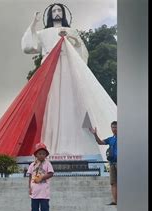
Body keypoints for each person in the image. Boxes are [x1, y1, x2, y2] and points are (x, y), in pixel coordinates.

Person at [18, 3, 117, 158]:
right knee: (51, 106)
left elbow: (82, 52)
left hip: (68, 71)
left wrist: (69, 36)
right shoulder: (44, 33)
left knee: (71, 105)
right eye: (54, 11)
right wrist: (33, 23)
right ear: (50, 15)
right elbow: (28, 47)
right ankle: (49, 144)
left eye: (59, 10)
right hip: (50, 72)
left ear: (63, 13)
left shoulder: (72, 31)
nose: (57, 13)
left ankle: (74, 144)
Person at [90, 121, 117, 205]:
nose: (114, 129)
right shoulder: (111, 139)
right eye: (112, 127)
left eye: (115, 127)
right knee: (113, 182)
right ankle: (115, 201)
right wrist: (95, 134)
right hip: (112, 163)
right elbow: (100, 142)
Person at [27, 143, 54, 211]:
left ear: (46, 155)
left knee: (44, 207)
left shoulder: (47, 164)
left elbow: (50, 173)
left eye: (43, 154)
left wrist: (42, 177)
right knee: (34, 208)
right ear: (36, 155)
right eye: (39, 153)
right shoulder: (32, 165)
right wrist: (30, 188)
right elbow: (30, 176)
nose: (42, 155)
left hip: (44, 192)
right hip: (35, 191)